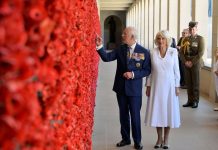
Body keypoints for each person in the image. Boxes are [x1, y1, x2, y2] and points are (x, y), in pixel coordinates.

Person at [95, 26, 151, 150]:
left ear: (132, 36)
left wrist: (133, 74)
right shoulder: (120, 49)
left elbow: (147, 70)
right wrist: (99, 46)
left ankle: (137, 141)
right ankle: (125, 139)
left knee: (135, 116)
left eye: (124, 34)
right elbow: (107, 58)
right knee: (123, 115)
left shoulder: (143, 51)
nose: (122, 35)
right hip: (121, 89)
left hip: (135, 90)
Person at [144, 30, 180, 149]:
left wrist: (177, 86)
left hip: (170, 87)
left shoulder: (173, 52)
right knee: (158, 112)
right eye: (159, 38)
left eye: (163, 39)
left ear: (167, 40)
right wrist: (148, 86)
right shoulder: (152, 52)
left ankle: (167, 139)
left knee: (168, 112)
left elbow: (176, 71)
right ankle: (159, 138)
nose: (160, 41)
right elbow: (149, 71)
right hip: (156, 86)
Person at [180, 21, 205, 108]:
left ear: (196, 29)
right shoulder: (185, 39)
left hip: (195, 63)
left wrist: (192, 62)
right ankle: (189, 100)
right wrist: (185, 62)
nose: (192, 30)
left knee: (195, 83)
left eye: (193, 29)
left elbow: (201, 53)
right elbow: (181, 52)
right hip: (186, 63)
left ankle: (195, 101)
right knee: (188, 83)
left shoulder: (200, 39)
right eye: (190, 29)